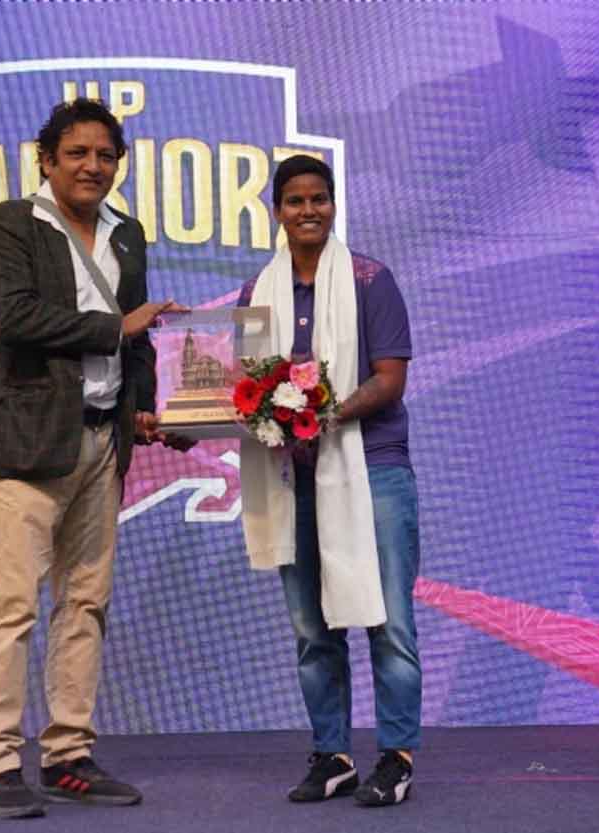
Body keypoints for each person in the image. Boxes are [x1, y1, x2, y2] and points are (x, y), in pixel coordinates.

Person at [0, 98, 188, 819]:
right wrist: (116, 326)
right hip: (31, 442)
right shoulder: (9, 223)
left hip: (103, 440)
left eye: (105, 155)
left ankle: (67, 755)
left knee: (86, 603)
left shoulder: (127, 233)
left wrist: (144, 403)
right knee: (13, 605)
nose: (93, 166)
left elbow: (140, 337)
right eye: (77, 153)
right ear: (46, 160)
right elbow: (15, 317)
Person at [238, 155, 421, 807]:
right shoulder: (256, 292)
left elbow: (389, 379)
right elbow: (246, 390)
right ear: (277, 211)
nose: (308, 210)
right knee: (311, 628)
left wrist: (323, 414)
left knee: (388, 620)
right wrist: (189, 421)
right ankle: (333, 754)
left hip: (374, 468)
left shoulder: (371, 280)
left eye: (319, 198)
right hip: (291, 476)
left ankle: (396, 757)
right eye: (295, 200)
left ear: (334, 205)